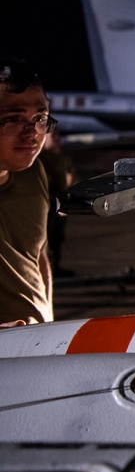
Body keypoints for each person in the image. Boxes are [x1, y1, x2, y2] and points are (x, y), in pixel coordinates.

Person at [0, 56, 54, 328]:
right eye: (13, 118)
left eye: (40, 118)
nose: (32, 132)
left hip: (36, 345)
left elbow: (37, 257)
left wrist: (50, 323)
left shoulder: (33, 173)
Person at [37, 125, 76, 277]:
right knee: (46, 237)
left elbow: (70, 173)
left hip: (61, 203)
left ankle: (55, 267)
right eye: (53, 136)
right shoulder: (40, 158)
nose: (57, 138)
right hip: (48, 203)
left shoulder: (62, 157)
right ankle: (47, 271)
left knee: (57, 237)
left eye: (58, 135)